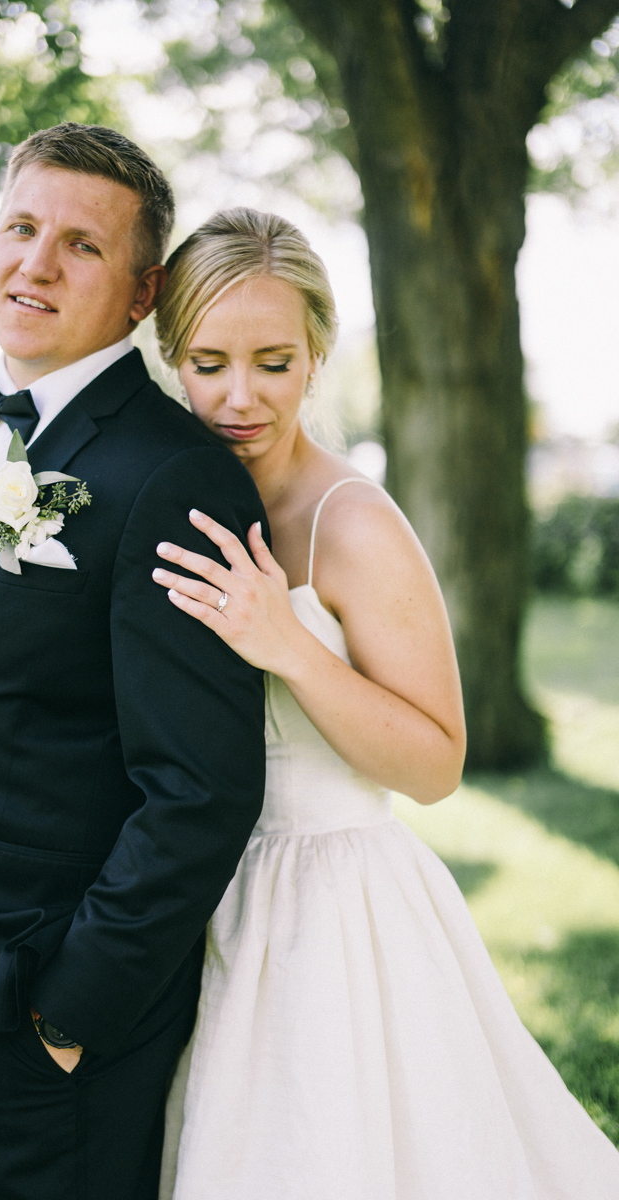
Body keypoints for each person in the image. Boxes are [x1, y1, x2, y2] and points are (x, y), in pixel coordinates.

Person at [152, 208, 619, 1198]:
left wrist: (289, 647)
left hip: (333, 910)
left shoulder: (352, 524)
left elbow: (435, 763)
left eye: (274, 362)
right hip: (203, 899)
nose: (239, 396)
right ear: (169, 355)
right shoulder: (173, 496)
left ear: (317, 356)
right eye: (208, 362)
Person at [0, 127, 269, 1200]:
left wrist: (70, 1008)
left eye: (80, 246)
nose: (36, 263)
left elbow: (201, 786)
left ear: (142, 296)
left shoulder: (170, 473)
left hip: (51, 995)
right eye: (21, 227)